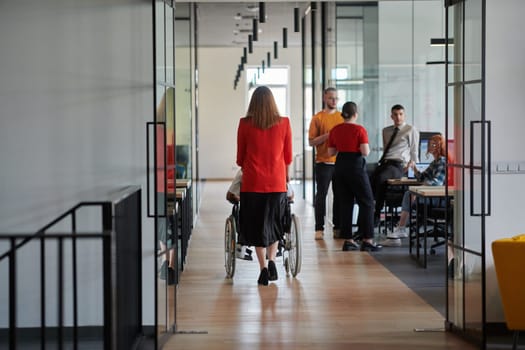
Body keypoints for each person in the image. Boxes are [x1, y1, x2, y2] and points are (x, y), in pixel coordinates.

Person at [236, 86, 292, 286]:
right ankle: (272, 259)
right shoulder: (284, 123)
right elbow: (287, 157)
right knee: (274, 223)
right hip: (277, 183)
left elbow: (239, 158)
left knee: (256, 225)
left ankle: (262, 269)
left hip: (252, 184)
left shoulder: (244, 124)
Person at [327, 101, 382, 252]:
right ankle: (367, 239)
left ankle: (348, 240)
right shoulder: (359, 129)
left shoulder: (335, 130)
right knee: (367, 202)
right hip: (355, 166)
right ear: (355, 114)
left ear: (342, 114)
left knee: (345, 203)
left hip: (340, 166)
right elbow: (365, 152)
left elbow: (331, 152)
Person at [380, 134, 450, 247]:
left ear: (440, 146)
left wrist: (421, 187)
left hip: (437, 198)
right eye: (430, 143)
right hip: (431, 196)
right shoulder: (434, 162)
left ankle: (401, 228)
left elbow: (437, 183)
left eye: (434, 144)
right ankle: (401, 229)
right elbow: (422, 177)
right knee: (409, 193)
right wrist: (414, 168)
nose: (430, 146)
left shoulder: (442, 161)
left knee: (409, 194)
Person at [372, 104, 419, 228]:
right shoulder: (386, 131)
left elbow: (414, 150)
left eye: (401, 114)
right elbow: (386, 150)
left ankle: (376, 213)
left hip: (398, 164)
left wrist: (414, 166)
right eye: (395, 115)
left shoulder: (410, 129)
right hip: (385, 163)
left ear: (404, 115)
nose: (398, 117)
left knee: (382, 178)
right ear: (391, 116)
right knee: (368, 176)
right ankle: (369, 211)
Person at [308, 87, 344, 240]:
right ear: (325, 98)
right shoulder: (317, 118)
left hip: (340, 162)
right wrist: (328, 136)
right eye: (331, 98)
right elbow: (311, 142)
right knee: (321, 195)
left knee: (340, 196)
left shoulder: (342, 117)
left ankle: (337, 227)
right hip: (323, 162)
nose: (334, 101)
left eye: (336, 98)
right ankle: (319, 228)